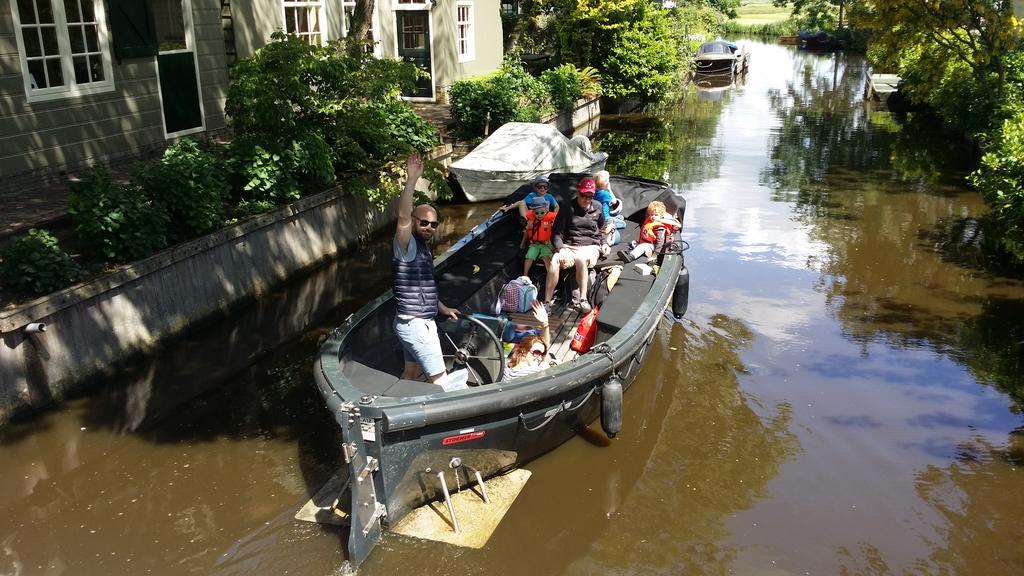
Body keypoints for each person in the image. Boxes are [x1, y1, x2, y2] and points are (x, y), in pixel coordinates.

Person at [393, 154, 464, 389]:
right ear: (414, 221)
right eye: (423, 222)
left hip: (408, 323)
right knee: (441, 382)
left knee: (411, 373)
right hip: (417, 325)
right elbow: (402, 217)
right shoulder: (405, 245)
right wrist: (411, 180)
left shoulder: (423, 247)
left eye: (433, 225)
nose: (429, 228)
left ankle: (401, 413)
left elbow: (424, 286)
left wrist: (442, 307)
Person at [552, 177, 607, 312]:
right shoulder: (566, 207)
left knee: (580, 258)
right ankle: (548, 301)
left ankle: (582, 300)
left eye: (590, 196)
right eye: (583, 195)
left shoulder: (598, 207)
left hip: (590, 246)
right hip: (570, 245)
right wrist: (560, 248)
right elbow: (556, 233)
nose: (586, 199)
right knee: (554, 260)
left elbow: (602, 228)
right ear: (578, 193)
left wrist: (604, 243)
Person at [617, 200, 681, 269]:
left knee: (643, 246)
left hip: (654, 246)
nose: (653, 217)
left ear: (661, 215)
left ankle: (630, 257)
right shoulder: (650, 221)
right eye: (651, 214)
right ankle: (629, 252)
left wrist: (655, 254)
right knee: (633, 242)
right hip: (646, 243)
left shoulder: (660, 227)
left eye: (656, 215)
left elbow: (660, 242)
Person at [521, 196, 559, 306]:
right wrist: (523, 243)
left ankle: (550, 280)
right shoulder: (530, 216)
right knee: (529, 257)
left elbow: (560, 219)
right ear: (533, 211)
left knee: (546, 258)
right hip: (534, 244)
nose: (539, 215)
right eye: (536, 213)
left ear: (546, 210)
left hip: (546, 244)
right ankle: (525, 276)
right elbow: (527, 230)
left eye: (542, 212)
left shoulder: (551, 217)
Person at [503, 301, 552, 381]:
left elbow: (544, 345)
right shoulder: (533, 371)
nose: (540, 358)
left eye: (541, 354)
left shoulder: (507, 368)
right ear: (523, 352)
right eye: (537, 353)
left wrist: (545, 324)